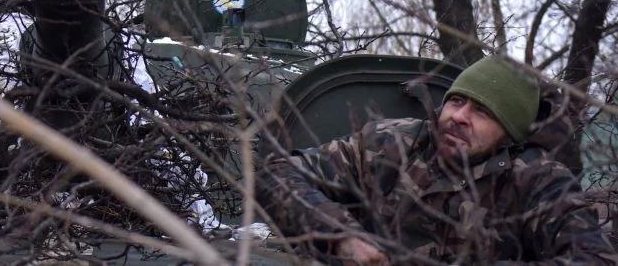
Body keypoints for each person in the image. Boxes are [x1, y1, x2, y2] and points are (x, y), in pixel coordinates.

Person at [257, 55, 618, 264]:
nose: (459, 116)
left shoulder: (537, 181)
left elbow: (595, 259)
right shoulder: (392, 143)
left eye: (482, 112)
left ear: (509, 133)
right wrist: (342, 237)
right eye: (457, 101)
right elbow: (276, 172)